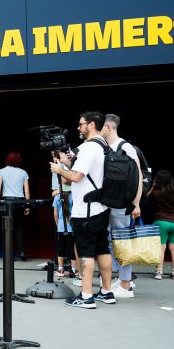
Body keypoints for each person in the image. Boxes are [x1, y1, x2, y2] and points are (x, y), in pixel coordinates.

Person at [50, 111, 115, 309]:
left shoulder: (87, 148)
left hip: (85, 209)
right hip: (101, 207)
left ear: (92, 125)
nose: (79, 128)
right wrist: (69, 162)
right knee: (102, 248)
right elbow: (87, 171)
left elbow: (77, 177)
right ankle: (106, 291)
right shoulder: (104, 146)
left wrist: (60, 169)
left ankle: (86, 296)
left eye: (81, 124)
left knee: (86, 252)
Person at [101, 114, 142, 298]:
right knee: (110, 241)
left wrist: (136, 203)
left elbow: (138, 175)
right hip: (108, 203)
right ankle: (121, 279)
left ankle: (126, 284)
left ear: (108, 127)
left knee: (122, 242)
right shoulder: (106, 148)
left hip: (122, 204)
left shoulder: (126, 147)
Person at [148, 170, 174, 280]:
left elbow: (147, 196)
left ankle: (159, 272)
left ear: (157, 182)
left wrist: (153, 186)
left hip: (161, 222)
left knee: (161, 248)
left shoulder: (156, 193)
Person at [0, 151, 30, 261]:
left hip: (7, 201)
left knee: (8, 228)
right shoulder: (23, 172)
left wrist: (0, 196)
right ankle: (22, 251)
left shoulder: (1, 171)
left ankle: (10, 254)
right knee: (19, 228)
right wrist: (27, 205)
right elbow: (27, 190)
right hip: (20, 201)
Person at [51, 172, 80, 281]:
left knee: (61, 247)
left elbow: (55, 213)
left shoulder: (58, 197)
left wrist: (58, 225)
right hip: (72, 226)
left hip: (61, 227)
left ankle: (61, 269)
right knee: (72, 248)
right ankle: (73, 270)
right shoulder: (74, 197)